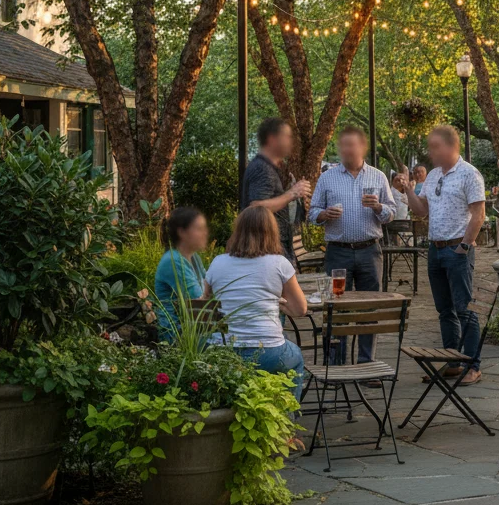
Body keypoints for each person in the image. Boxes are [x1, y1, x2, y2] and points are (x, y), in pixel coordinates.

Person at [405, 125, 487, 384]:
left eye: (435, 147)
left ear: (451, 146)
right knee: (445, 310)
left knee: (464, 309)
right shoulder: (432, 176)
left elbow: (479, 214)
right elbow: (421, 210)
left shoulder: (469, 174)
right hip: (435, 249)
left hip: (456, 249)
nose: (430, 152)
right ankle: (453, 362)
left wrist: (465, 245)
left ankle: (473, 365)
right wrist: (408, 190)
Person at [203, 207, 309, 401]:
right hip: (267, 352)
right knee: (295, 358)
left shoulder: (217, 262)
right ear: (272, 232)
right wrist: (278, 304)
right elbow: (300, 309)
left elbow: (203, 305)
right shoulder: (279, 263)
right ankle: (286, 415)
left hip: (222, 351)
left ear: (238, 231)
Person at [308, 126, 394, 363]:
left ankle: (366, 362)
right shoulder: (327, 177)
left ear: (362, 147)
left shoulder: (378, 176)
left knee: (369, 307)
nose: (346, 149)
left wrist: (378, 207)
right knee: (336, 307)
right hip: (338, 252)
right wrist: (324, 214)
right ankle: (336, 365)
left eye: (351, 145)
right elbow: (312, 212)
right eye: (343, 145)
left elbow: (391, 213)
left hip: (369, 251)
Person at [240, 117, 312, 266]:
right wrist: (292, 193)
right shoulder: (262, 168)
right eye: (287, 137)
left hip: (273, 249)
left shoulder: (269, 168)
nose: (291, 142)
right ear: (272, 139)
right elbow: (256, 207)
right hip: (267, 251)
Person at [154, 206, 209, 342]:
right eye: (199, 229)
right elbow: (199, 302)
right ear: (182, 232)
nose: (205, 233)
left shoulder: (194, 257)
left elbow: (209, 287)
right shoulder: (173, 261)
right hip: (177, 336)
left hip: (195, 328)